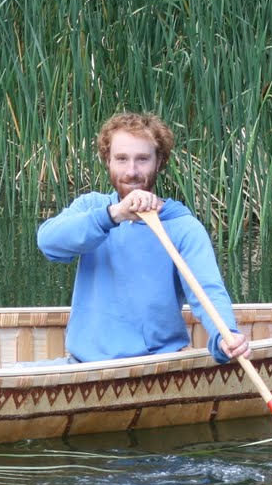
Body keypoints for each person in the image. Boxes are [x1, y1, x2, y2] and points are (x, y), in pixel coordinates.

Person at [37, 112, 251, 365]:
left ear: (159, 162)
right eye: (121, 159)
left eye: (142, 159)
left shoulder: (183, 227)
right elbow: (48, 242)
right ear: (107, 160)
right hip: (85, 365)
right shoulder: (92, 209)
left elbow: (207, 291)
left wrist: (224, 336)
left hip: (155, 365)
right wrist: (113, 215)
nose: (131, 171)